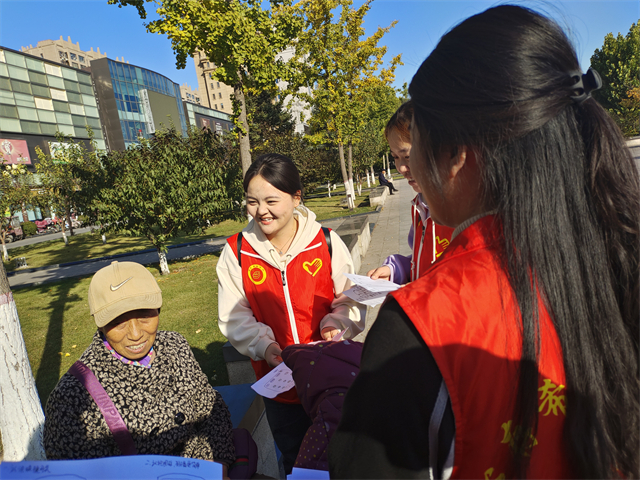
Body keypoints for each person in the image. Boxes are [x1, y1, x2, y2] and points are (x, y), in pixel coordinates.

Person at [329, 5, 639, 479]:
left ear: (454, 154)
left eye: (417, 149)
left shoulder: (420, 327)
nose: (408, 171)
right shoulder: (622, 254)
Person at [217, 153, 364, 474]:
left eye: (271, 200)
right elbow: (234, 316)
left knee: (344, 455)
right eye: (252, 201)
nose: (261, 211)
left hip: (330, 378)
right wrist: (266, 348)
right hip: (278, 385)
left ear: (297, 197)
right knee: (295, 459)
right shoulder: (237, 252)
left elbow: (350, 299)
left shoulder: (325, 243)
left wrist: (338, 324)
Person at [44, 261, 235, 470]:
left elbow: (210, 408)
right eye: (118, 321)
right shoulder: (73, 396)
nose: (135, 334)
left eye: (144, 315)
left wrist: (220, 463)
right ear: (100, 324)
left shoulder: (174, 346)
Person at [368, 102, 454, 284]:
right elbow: (423, 260)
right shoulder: (421, 207)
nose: (401, 168)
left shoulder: (465, 214)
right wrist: (396, 269)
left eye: (407, 156)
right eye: (395, 157)